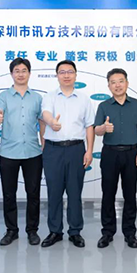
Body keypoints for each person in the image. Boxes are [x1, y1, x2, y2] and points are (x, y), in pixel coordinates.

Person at [40, 60, 95, 248]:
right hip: (53, 150)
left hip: (76, 149)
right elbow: (46, 114)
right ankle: (55, 231)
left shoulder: (84, 99)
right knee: (54, 192)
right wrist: (52, 123)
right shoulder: (49, 97)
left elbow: (89, 126)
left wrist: (89, 150)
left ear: (75, 75)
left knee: (74, 192)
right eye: (62, 72)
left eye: (70, 72)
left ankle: (75, 231)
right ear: (57, 75)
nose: (66, 75)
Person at [0, 58, 45, 246]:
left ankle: (32, 230)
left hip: (33, 152)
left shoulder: (37, 98)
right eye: (17, 70)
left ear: (29, 73)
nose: (20, 74)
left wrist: (43, 143)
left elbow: (42, 122)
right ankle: (11, 230)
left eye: (24, 70)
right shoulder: (3, 97)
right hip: (9, 152)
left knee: (33, 194)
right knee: (9, 194)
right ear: (11, 73)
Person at [94, 68, 137, 249]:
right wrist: (103, 128)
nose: (117, 85)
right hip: (110, 153)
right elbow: (96, 130)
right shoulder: (103, 106)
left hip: (131, 153)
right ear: (109, 86)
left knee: (130, 194)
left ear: (127, 83)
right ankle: (107, 232)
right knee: (108, 194)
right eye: (113, 82)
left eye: (121, 81)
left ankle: (130, 233)